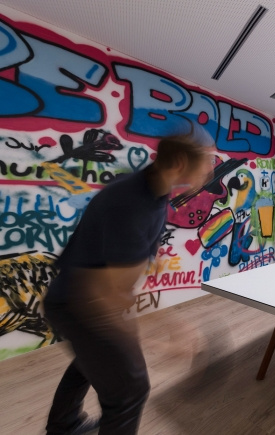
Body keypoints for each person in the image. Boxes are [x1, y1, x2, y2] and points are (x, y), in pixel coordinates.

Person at [43, 132, 214, 435]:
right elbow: (110, 293)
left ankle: (63, 425)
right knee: (130, 390)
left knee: (90, 360)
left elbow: (127, 275)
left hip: (79, 298)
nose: (211, 169)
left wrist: (171, 327)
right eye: (206, 161)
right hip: (77, 304)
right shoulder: (131, 203)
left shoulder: (154, 193)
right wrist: (163, 340)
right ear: (179, 162)